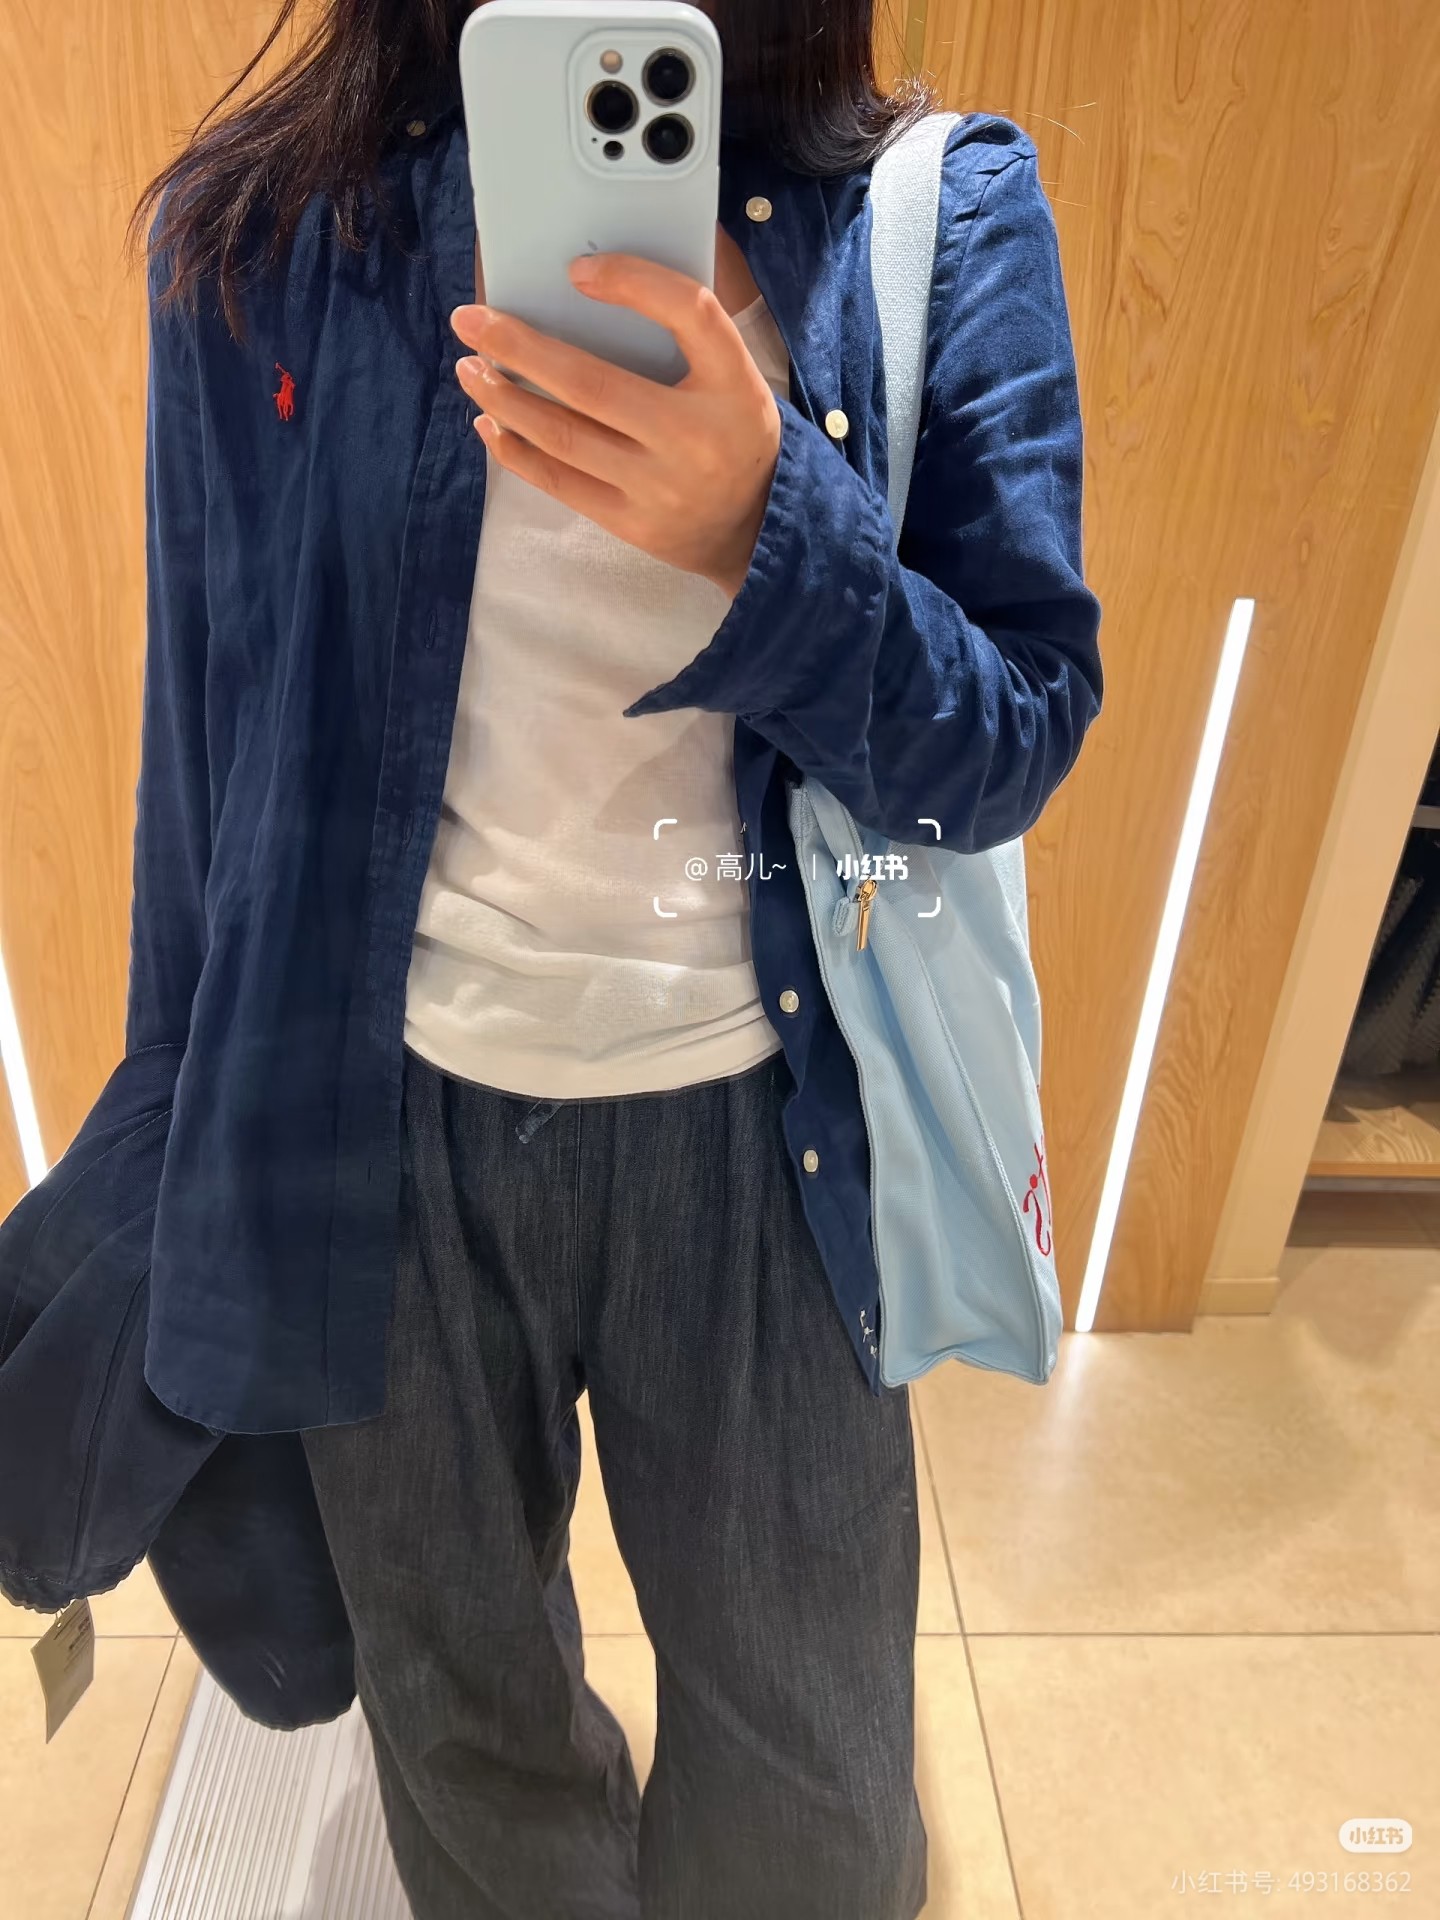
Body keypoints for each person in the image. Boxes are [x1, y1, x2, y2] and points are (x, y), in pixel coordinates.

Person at [120, 0, 1103, 1913]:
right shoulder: (273, 235)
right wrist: (169, 1141)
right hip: (379, 1140)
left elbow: (1012, 737)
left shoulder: (934, 216)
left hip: (767, 1138)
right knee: (466, 1736)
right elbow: (205, 754)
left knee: (811, 1776)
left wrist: (765, 529)